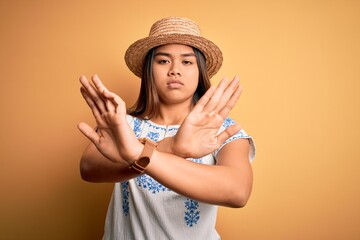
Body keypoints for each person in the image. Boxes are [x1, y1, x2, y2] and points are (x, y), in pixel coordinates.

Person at [78, 17, 255, 240]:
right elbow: (88, 169)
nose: (174, 70)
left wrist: (138, 153)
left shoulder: (220, 129)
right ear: (148, 70)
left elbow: (237, 192)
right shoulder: (123, 123)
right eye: (162, 61)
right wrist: (172, 147)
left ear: (200, 72)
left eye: (187, 62)